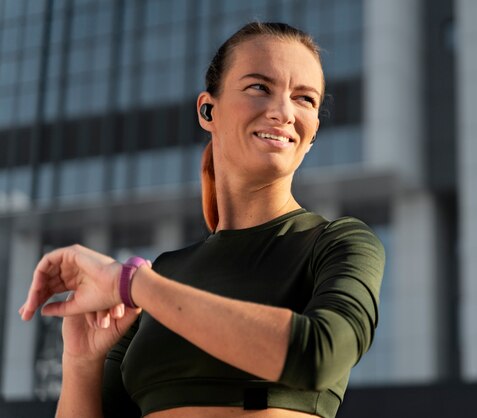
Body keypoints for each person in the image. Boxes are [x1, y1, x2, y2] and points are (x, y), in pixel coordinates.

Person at [19, 22, 385, 418]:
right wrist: (81, 361)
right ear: (207, 109)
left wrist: (133, 284)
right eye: (259, 87)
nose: (283, 112)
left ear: (312, 133)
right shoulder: (164, 274)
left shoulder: (339, 243)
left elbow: (319, 355)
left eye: (305, 99)